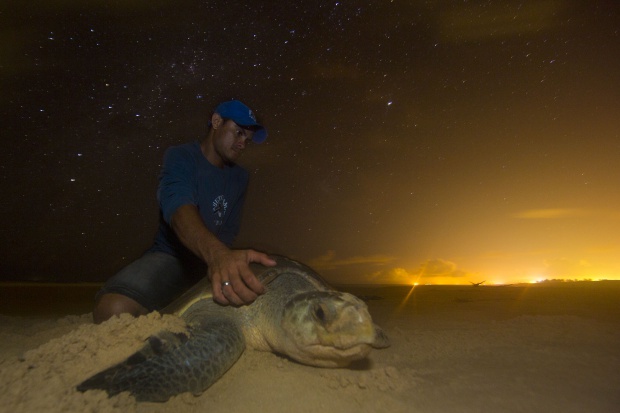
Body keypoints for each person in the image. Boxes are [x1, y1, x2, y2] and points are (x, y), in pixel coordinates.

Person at [93, 99, 276, 324]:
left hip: (209, 262)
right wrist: (218, 256)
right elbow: (178, 210)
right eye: (238, 133)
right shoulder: (180, 156)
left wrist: (220, 264)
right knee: (112, 310)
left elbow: (228, 231)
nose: (242, 144)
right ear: (217, 122)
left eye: (247, 140)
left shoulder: (241, 177)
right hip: (171, 256)